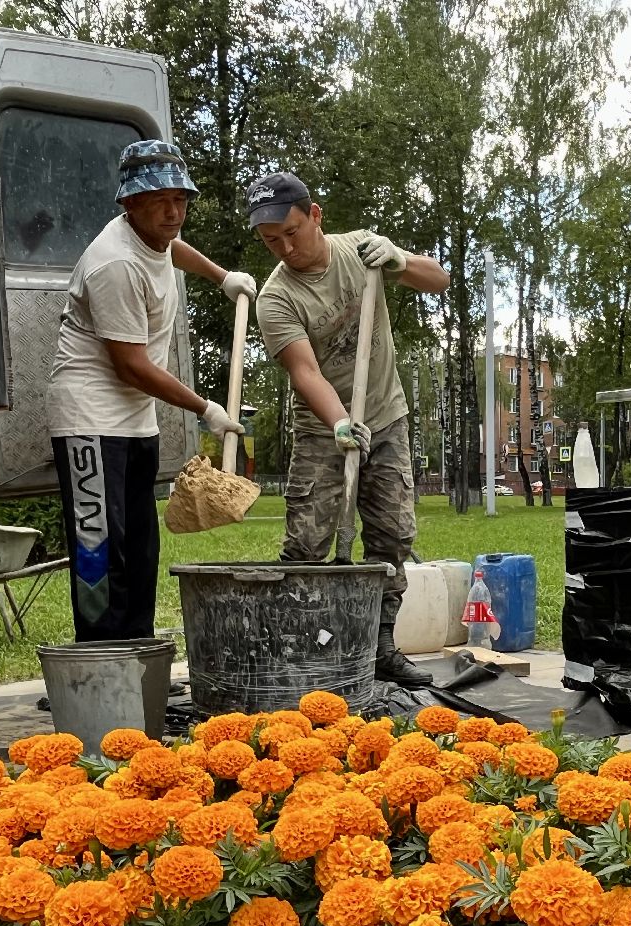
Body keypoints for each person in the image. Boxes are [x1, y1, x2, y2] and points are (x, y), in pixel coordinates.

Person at [47, 140, 256, 642]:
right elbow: (132, 368)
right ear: (129, 203)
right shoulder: (112, 264)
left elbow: (171, 248)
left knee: (140, 546)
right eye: (159, 199)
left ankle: (137, 653)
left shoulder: (153, 236)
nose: (173, 211)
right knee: (101, 548)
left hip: (134, 421)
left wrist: (221, 276)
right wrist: (207, 408)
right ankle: (98, 665)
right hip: (89, 420)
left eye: (180, 199)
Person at [248, 171, 449, 688]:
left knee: (393, 535)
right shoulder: (276, 299)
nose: (286, 248)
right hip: (323, 429)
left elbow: (439, 279)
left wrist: (401, 261)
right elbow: (305, 372)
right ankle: (299, 648)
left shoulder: (361, 253)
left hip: (386, 415)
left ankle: (380, 646)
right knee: (309, 543)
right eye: (272, 241)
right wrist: (338, 421)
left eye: (293, 232)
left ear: (316, 215)